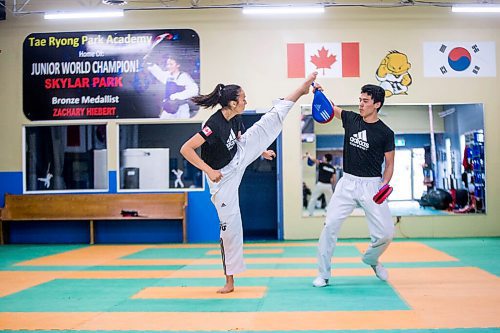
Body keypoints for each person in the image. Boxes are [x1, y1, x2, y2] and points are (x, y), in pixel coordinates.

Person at [180, 72, 318, 294]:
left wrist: (260, 150)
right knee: (230, 227)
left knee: (269, 121)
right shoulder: (212, 124)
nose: (246, 101)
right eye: (243, 98)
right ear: (233, 103)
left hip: (239, 154)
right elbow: (186, 149)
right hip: (221, 176)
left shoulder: (236, 116)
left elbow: (240, 138)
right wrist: (209, 170)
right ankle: (229, 281)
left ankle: (300, 91)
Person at [312, 83, 395, 287]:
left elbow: (390, 164)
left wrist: (384, 186)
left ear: (377, 104)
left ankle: (371, 259)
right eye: (360, 100)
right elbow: (331, 108)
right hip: (347, 182)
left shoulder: (385, 133)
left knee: (386, 233)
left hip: (372, 185)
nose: (360, 104)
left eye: (365, 101)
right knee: (329, 225)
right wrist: (319, 93)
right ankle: (323, 274)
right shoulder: (351, 119)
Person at [146, 55, 199, 119]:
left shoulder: (183, 76)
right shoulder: (167, 75)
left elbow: (194, 90)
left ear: (178, 65)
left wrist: (176, 96)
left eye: (171, 64)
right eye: (167, 64)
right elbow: (159, 73)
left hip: (181, 108)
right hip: (169, 108)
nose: (168, 66)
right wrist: (151, 64)